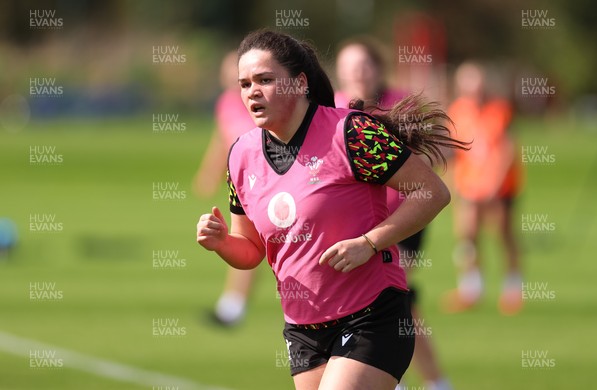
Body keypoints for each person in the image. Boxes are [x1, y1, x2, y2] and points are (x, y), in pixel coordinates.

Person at [196, 30, 467, 390]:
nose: (252, 92)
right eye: (244, 84)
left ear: (299, 83)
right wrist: (220, 243)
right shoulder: (241, 156)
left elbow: (432, 192)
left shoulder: (351, 132)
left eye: (265, 80)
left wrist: (369, 243)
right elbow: (251, 251)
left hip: (372, 314)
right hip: (304, 329)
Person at [335, 38, 452, 390]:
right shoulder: (334, 108)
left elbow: (444, 149)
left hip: (401, 220)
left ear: (377, 68)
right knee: (368, 304)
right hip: (353, 222)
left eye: (364, 65)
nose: (357, 73)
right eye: (349, 66)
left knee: (391, 302)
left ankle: (428, 381)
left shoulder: (399, 103)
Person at [442, 62, 523, 315]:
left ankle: (513, 289)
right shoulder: (457, 111)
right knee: (468, 236)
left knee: (503, 235)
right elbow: (455, 154)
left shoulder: (500, 110)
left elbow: (508, 149)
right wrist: (453, 185)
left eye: (477, 82)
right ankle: (471, 289)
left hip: (501, 187)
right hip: (469, 186)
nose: (474, 88)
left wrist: (495, 183)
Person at [192, 51, 259, 325]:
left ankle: (232, 307)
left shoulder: (261, 104)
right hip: (241, 190)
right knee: (245, 243)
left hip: (268, 186)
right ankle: (232, 306)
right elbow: (223, 140)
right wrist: (209, 173)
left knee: (254, 244)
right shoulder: (226, 103)